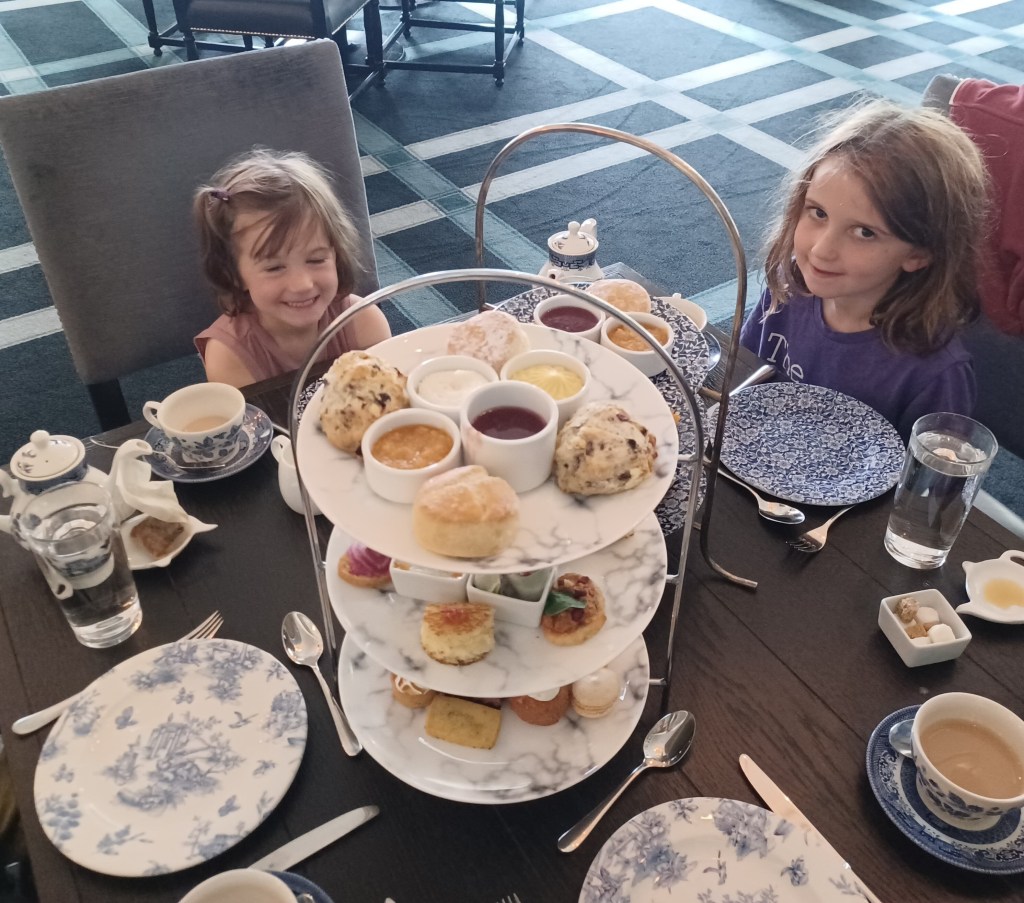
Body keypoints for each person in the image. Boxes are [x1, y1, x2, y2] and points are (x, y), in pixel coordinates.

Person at [740, 99, 990, 440]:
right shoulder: (788, 288)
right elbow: (742, 378)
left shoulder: (935, 374)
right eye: (818, 213)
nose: (821, 250)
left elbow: (930, 487)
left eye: (864, 232)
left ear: (919, 253)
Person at [193, 148, 391, 387]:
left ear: (336, 253)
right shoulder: (229, 357)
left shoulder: (363, 323)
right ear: (233, 273)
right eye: (275, 268)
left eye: (316, 260)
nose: (303, 284)